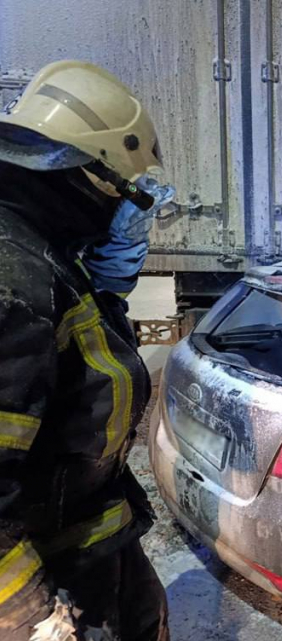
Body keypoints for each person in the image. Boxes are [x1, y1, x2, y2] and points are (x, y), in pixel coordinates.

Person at [0, 60, 172, 640]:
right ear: (91, 178)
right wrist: (32, 616)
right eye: (130, 196)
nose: (131, 215)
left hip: (93, 547)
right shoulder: (14, 284)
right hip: (53, 583)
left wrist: (98, 283)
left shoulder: (42, 247)